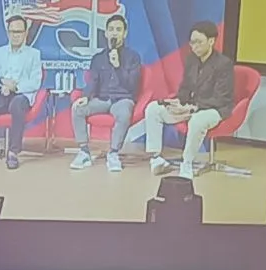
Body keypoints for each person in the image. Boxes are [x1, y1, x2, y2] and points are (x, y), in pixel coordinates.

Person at [143, 21, 234, 180]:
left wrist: (193, 108)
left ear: (211, 41)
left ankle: (187, 163)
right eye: (192, 42)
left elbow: (221, 98)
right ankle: (156, 158)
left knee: (197, 120)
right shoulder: (191, 60)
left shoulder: (224, 64)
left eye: (199, 42)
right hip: (191, 106)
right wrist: (178, 102)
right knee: (153, 109)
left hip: (215, 109)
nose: (194, 46)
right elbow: (185, 86)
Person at [70, 14, 141, 172]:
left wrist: (118, 66)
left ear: (125, 33)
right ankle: (84, 152)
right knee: (77, 109)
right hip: (102, 99)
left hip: (123, 99)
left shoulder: (133, 57)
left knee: (124, 114)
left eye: (118, 29)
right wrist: (85, 97)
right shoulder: (98, 58)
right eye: (111, 29)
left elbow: (132, 85)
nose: (115, 33)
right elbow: (93, 81)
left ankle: (113, 153)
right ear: (106, 33)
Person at [0, 15, 42, 170]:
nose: (15, 35)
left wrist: (16, 87)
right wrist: (2, 82)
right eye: (12, 32)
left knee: (17, 106)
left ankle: (13, 152)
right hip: (0, 92)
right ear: (8, 33)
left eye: (19, 32)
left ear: (25, 33)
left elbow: (35, 82)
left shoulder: (34, 54)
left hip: (22, 94)